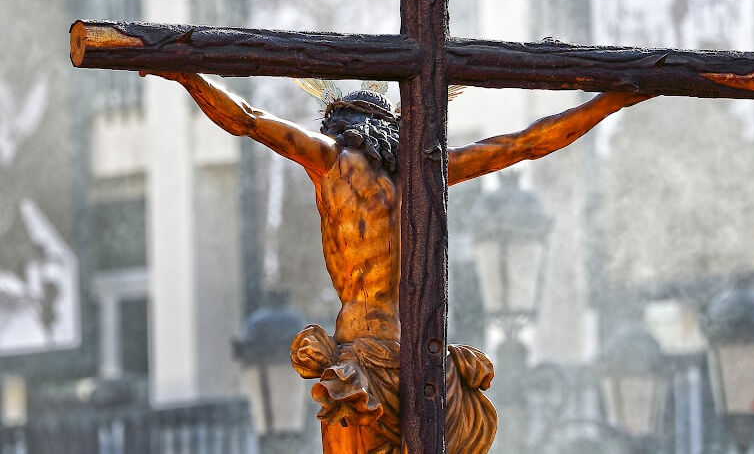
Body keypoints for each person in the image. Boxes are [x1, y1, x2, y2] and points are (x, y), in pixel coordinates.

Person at [142, 71, 652, 453]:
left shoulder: (329, 162)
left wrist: (186, 74)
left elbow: (248, 118)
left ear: (342, 127)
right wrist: (612, 100)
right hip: (427, 361)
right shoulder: (428, 173)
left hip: (361, 365)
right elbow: (525, 144)